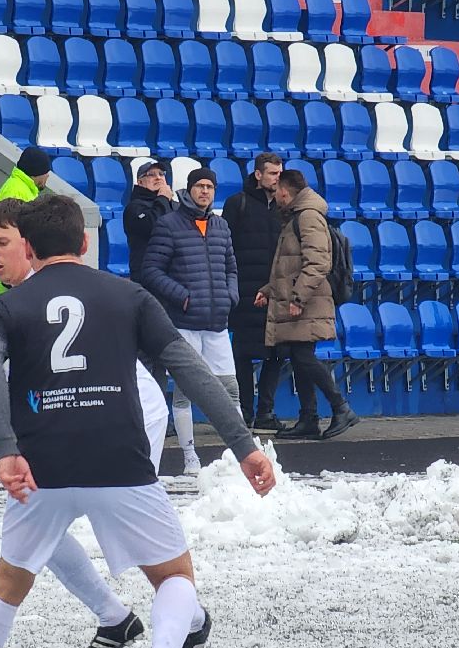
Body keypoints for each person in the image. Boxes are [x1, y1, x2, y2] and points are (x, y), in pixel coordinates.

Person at [0, 194, 275, 648]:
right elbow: (188, 368)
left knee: (7, 583)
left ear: (27, 246)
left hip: (42, 462)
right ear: (85, 244)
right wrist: (243, 445)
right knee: (175, 579)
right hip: (119, 458)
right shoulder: (129, 296)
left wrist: (5, 448)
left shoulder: (4, 307)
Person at [0, 198, 210, 648]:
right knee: (34, 514)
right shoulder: (14, 302)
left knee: (132, 540)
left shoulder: (60, 291)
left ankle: (187, 619)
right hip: (72, 418)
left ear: (30, 244)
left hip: (123, 415)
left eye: (3, 242)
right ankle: (116, 617)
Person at [137, 167, 242, 474]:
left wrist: (229, 295)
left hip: (217, 322)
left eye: (210, 186)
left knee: (230, 389)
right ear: (190, 189)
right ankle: (190, 457)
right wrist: (183, 297)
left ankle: (237, 456)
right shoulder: (169, 224)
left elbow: (232, 268)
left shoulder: (221, 226)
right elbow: (152, 270)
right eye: (200, 186)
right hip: (185, 322)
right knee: (185, 391)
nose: (205, 191)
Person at [258, 170, 360, 441]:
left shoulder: (307, 216)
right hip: (301, 300)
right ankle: (308, 418)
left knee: (303, 357)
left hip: (307, 303)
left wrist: (298, 298)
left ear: (284, 190)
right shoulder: (297, 216)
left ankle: (341, 408)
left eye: (277, 189)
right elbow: (289, 266)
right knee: (298, 356)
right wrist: (270, 291)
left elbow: (318, 263)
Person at [222, 153, 285, 430]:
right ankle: (245, 411)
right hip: (245, 291)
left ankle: (266, 413)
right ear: (258, 174)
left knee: (278, 352)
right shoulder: (238, 203)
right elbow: (223, 247)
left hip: (277, 292)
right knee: (244, 354)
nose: (277, 179)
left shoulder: (285, 206)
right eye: (272, 173)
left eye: (279, 174)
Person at [0, 146, 53, 294]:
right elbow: (9, 236)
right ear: (36, 173)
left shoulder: (22, 189)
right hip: (15, 278)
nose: (47, 177)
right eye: (46, 173)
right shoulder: (16, 191)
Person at [121, 160, 176, 272]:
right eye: (151, 174)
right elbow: (152, 226)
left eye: (161, 174)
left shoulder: (175, 205)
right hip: (145, 273)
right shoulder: (134, 207)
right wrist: (163, 198)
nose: (158, 178)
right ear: (140, 182)